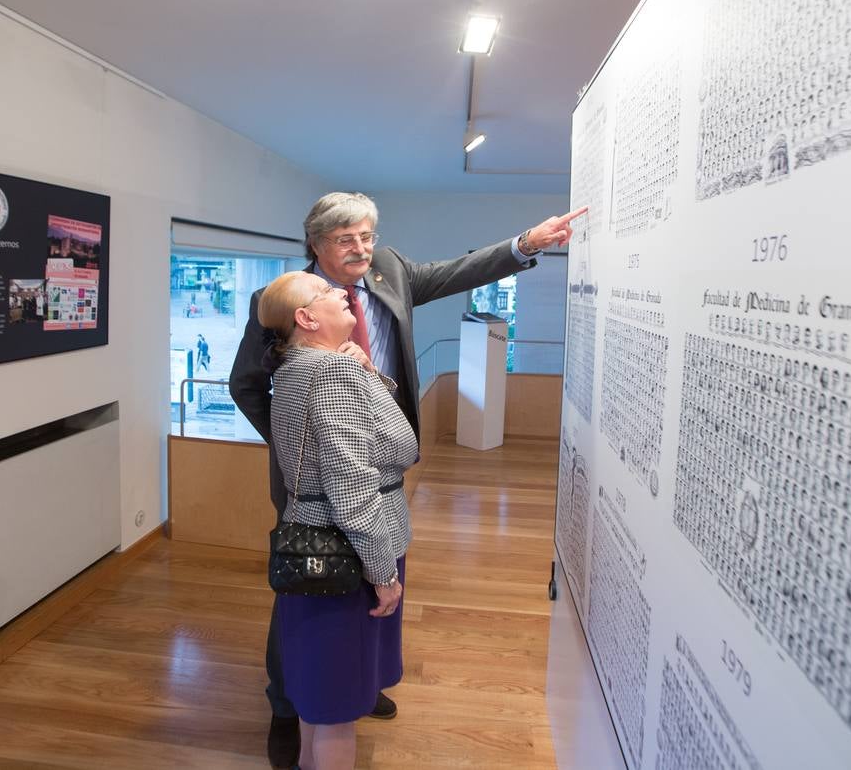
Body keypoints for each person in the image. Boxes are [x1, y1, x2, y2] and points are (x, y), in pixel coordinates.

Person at [229, 191, 585, 767]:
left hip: (385, 469)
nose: (363, 249)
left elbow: (456, 271)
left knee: (375, 575)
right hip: (318, 486)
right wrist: (304, 448)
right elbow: (246, 385)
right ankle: (288, 706)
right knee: (312, 579)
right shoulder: (284, 302)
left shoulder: (389, 269)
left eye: (368, 236)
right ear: (315, 245)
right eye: (348, 240)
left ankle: (358, 686)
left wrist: (525, 245)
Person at [256, 270, 411, 770]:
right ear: (305, 318)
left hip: (309, 546)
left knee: (318, 701)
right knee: (340, 709)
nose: (344, 293)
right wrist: (382, 571)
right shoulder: (331, 373)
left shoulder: (297, 368)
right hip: (347, 554)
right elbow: (355, 483)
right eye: (326, 293)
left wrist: (365, 372)